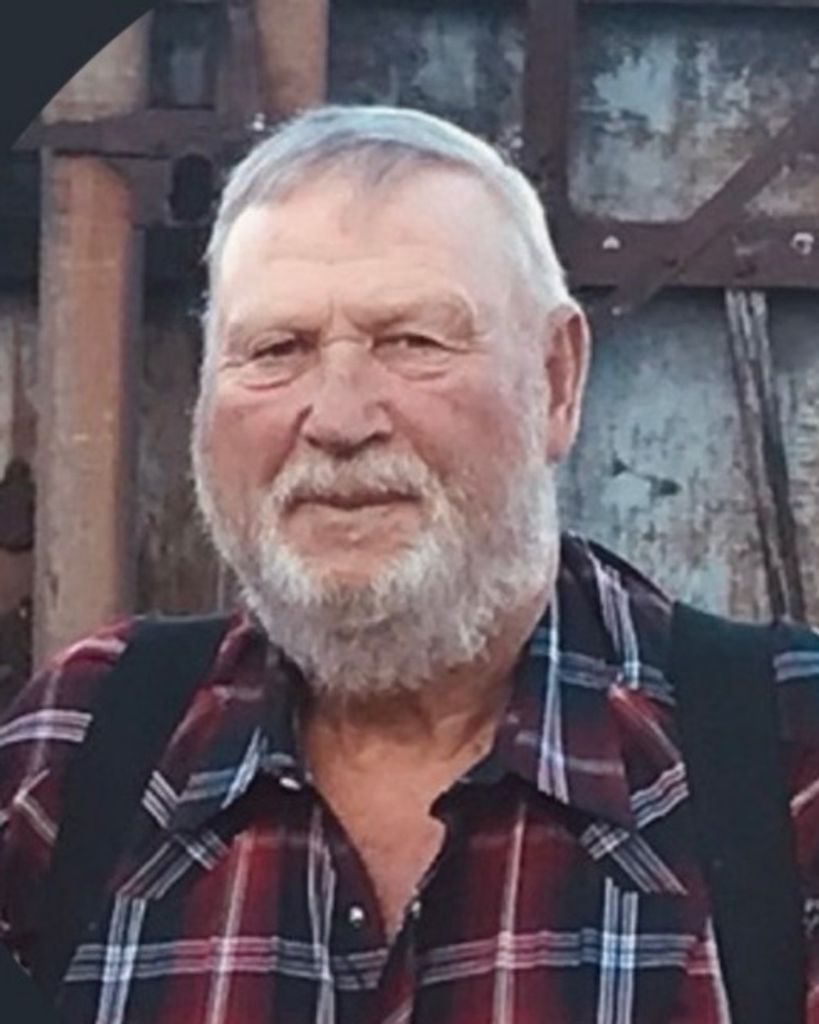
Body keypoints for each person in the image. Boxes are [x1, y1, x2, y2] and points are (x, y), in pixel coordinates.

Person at [0, 105, 817, 1024]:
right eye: (276, 350)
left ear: (555, 382)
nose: (339, 419)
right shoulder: (74, 753)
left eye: (411, 342)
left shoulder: (788, 755)